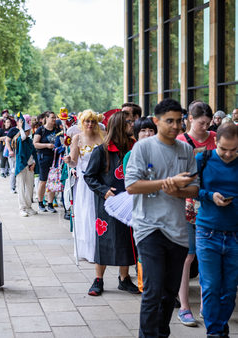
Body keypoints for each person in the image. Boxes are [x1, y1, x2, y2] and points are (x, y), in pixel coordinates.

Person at [125, 98, 199, 338]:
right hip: (149, 228)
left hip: (177, 230)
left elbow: (195, 188)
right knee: (153, 290)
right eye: (170, 121)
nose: (176, 126)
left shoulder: (186, 150)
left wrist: (177, 190)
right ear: (156, 121)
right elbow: (132, 186)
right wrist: (167, 183)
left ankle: (161, 334)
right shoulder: (142, 148)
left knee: (169, 293)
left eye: (179, 121)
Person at [84, 110, 139, 296]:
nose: (132, 125)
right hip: (108, 204)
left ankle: (124, 279)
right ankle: (98, 279)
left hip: (130, 202)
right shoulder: (102, 150)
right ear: (119, 126)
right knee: (105, 239)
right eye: (128, 122)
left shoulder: (135, 148)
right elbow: (89, 176)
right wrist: (103, 191)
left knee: (127, 238)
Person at [174, 101, 216, 326]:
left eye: (208, 124)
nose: (205, 127)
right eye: (201, 123)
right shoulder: (180, 141)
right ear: (190, 118)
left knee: (206, 256)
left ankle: (206, 306)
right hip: (185, 203)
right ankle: (184, 306)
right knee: (187, 256)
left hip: (210, 203)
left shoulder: (215, 138)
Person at [195, 122, 238, 338]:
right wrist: (209, 196)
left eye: (234, 150)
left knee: (229, 290)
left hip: (235, 234)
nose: (229, 154)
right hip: (207, 231)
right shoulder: (202, 159)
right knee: (211, 286)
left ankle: (220, 327)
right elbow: (191, 189)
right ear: (215, 143)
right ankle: (214, 332)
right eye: (223, 149)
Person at [64, 109, 104, 263]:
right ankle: (87, 250)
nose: (90, 124)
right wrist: (69, 161)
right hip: (85, 182)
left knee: (98, 214)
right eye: (87, 121)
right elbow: (74, 161)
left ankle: (100, 249)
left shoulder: (102, 137)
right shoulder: (77, 138)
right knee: (86, 214)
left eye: (93, 121)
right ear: (82, 122)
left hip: (100, 181)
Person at [122, 117, 157, 293]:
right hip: (141, 208)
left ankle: (165, 290)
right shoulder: (130, 155)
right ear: (136, 134)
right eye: (143, 130)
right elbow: (131, 185)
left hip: (163, 207)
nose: (147, 133)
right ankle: (147, 288)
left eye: (150, 130)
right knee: (145, 248)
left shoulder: (163, 152)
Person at [33, 111, 59, 213]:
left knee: (53, 181)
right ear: (46, 118)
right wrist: (47, 145)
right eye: (52, 118)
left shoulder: (57, 130)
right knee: (43, 181)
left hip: (55, 159)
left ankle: (50, 203)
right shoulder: (41, 130)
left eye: (55, 118)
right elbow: (35, 144)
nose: (54, 120)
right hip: (44, 158)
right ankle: (40, 203)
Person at [15, 117, 39, 217]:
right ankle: (22, 208)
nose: (29, 132)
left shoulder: (29, 141)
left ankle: (29, 207)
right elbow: (23, 137)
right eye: (27, 131)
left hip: (30, 166)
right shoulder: (20, 140)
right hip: (21, 167)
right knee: (21, 187)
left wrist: (33, 163)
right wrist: (20, 127)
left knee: (29, 187)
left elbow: (33, 153)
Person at [5, 123, 20, 193]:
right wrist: (10, 150)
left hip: (22, 154)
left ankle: (20, 187)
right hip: (13, 153)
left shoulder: (26, 130)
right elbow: (7, 140)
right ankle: (12, 187)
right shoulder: (13, 130)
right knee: (13, 170)